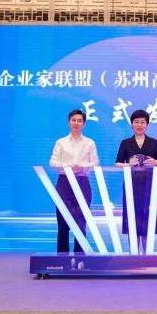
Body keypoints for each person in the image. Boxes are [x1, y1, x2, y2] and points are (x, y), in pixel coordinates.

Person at [49, 109, 99, 254]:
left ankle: (80, 255)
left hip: (82, 182)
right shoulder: (61, 142)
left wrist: (81, 167)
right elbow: (52, 162)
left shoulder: (90, 143)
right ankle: (62, 257)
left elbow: (95, 162)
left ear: (84, 124)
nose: (76, 123)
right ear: (69, 122)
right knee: (62, 221)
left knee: (81, 221)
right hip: (64, 183)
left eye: (79, 121)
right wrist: (67, 166)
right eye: (73, 120)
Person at [115, 109, 157, 253]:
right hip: (131, 185)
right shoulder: (125, 143)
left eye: (142, 122)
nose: (139, 125)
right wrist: (128, 164)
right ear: (132, 124)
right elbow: (117, 163)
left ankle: (147, 254)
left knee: (148, 218)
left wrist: (155, 161)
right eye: (136, 122)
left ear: (147, 125)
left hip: (149, 186)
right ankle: (134, 254)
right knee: (132, 218)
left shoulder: (153, 142)